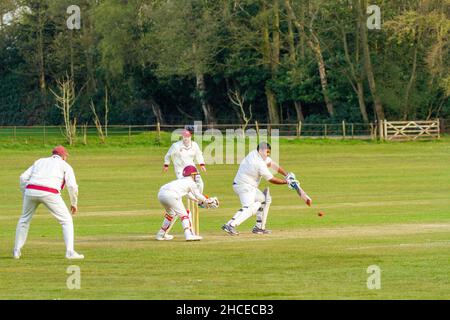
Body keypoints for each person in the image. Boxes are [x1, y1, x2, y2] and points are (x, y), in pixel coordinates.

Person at [13, 146, 84, 260]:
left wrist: (25, 192)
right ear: (63, 156)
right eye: (66, 155)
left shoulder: (40, 161)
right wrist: (74, 203)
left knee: (24, 219)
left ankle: (16, 251)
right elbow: (72, 186)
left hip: (31, 190)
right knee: (66, 220)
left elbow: (23, 177)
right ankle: (70, 252)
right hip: (50, 192)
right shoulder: (65, 165)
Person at [221, 142, 299, 236]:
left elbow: (272, 164)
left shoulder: (256, 153)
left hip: (248, 186)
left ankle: (259, 227)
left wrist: (287, 175)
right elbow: (271, 179)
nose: (268, 154)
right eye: (267, 152)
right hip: (244, 186)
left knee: (265, 199)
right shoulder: (258, 163)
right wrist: (287, 182)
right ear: (261, 151)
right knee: (251, 207)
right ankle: (230, 225)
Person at [156, 165, 219, 241]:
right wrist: (207, 201)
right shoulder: (191, 182)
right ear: (192, 174)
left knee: (171, 214)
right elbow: (197, 195)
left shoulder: (182, 180)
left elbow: (189, 194)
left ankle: (160, 234)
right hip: (172, 195)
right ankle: (188, 235)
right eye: (195, 174)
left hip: (161, 194)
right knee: (185, 214)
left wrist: (198, 201)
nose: (197, 176)